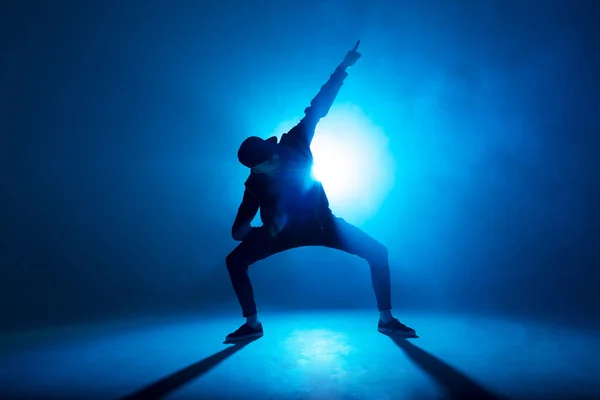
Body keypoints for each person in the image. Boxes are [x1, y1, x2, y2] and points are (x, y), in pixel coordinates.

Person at [225, 41, 416, 342]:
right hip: (282, 234)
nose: (275, 162)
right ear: (256, 169)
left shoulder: (294, 142)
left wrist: (343, 68)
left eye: (272, 156)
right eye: (267, 164)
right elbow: (238, 230)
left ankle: (386, 320)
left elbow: (318, 106)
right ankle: (252, 325)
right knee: (234, 261)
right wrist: (254, 233)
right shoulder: (254, 184)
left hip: (322, 225)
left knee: (378, 253)